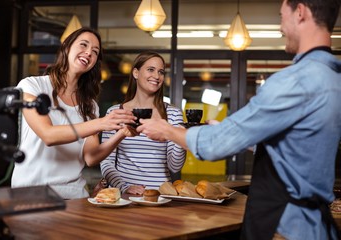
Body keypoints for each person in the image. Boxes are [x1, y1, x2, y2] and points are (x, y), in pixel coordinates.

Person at [137, 0, 341, 239]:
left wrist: (167, 130)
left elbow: (215, 145)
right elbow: (299, 147)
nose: (280, 27)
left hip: (285, 227)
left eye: (281, 16)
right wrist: (242, 136)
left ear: (300, 12)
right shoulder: (333, 79)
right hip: (318, 227)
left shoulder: (293, 81)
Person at [11, 27, 136, 199]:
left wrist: (121, 134)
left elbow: (91, 157)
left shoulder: (89, 105)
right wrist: (101, 123)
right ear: (67, 47)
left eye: (95, 51)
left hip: (74, 195)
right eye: (83, 45)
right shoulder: (32, 86)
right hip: (31, 194)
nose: (88, 53)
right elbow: (48, 135)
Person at [85, 51, 186, 195]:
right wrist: (124, 187)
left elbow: (174, 166)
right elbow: (107, 162)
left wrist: (181, 137)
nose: (157, 76)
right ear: (136, 73)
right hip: (124, 196)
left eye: (161, 72)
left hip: (160, 196)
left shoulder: (173, 114)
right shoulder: (116, 112)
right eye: (150, 70)